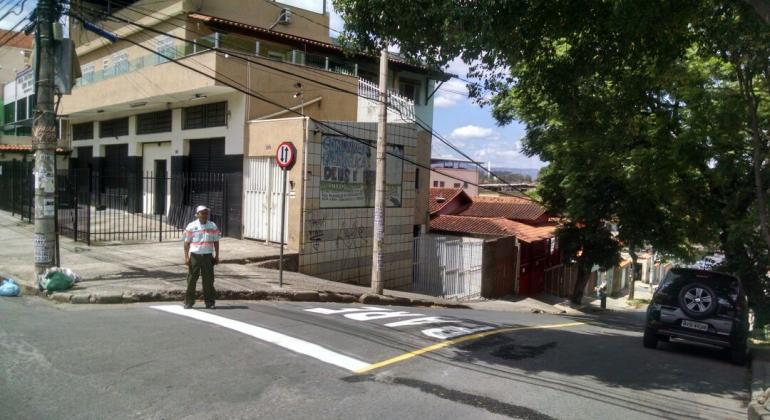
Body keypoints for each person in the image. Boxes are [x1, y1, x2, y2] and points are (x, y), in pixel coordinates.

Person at [183, 205, 221, 309]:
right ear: (197, 214)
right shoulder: (191, 226)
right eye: (202, 213)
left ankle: (210, 302)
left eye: (206, 213)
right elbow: (186, 243)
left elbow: (216, 241)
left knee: (208, 280)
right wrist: (186, 257)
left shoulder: (212, 226)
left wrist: (217, 256)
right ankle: (189, 302)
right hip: (195, 256)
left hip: (207, 256)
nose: (205, 215)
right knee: (191, 279)